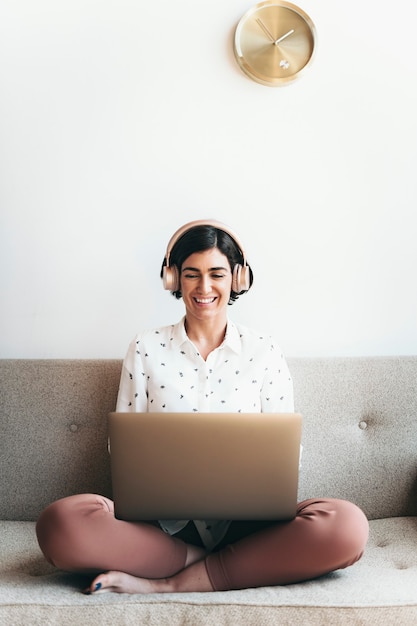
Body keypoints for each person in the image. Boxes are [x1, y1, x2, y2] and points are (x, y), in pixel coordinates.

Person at [36, 219, 369, 595]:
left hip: (250, 525)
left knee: (348, 526)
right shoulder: (146, 347)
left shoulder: (265, 350)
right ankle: (211, 563)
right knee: (60, 524)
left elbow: (287, 454)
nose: (204, 287)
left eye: (216, 274)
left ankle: (174, 581)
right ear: (173, 279)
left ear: (237, 278)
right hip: (164, 527)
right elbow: (124, 450)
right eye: (191, 274)